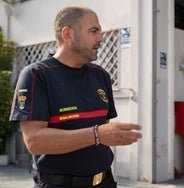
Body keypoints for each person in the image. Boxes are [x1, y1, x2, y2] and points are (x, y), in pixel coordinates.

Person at [9, 6, 142, 188]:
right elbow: (34, 141)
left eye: (100, 32)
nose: (101, 38)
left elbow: (103, 128)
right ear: (68, 34)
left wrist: (108, 134)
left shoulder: (101, 76)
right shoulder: (36, 75)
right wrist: (96, 134)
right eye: (94, 31)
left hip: (105, 182)